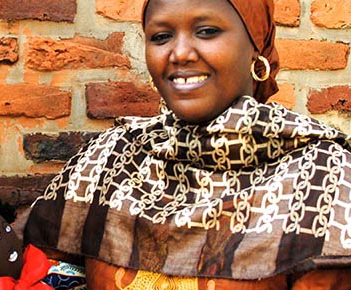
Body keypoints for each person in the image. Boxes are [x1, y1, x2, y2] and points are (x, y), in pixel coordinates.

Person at [24, 0, 351, 289]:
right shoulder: (109, 158)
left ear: (256, 48)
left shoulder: (323, 178)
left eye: (207, 31)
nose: (179, 53)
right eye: (161, 37)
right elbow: (39, 271)